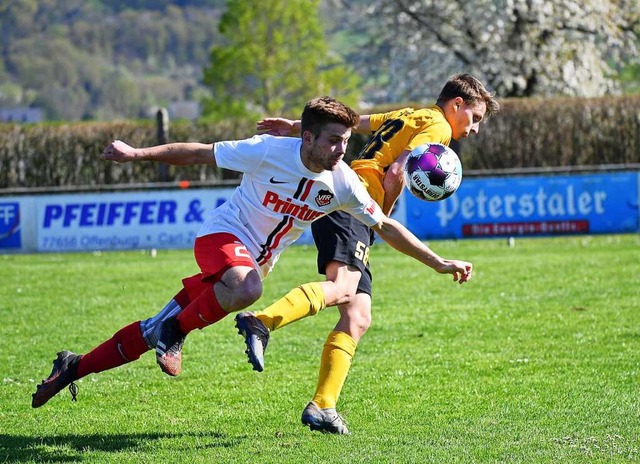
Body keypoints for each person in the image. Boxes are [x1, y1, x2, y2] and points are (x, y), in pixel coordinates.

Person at [31, 97, 473, 430]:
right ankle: (178, 331)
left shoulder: (344, 184)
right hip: (222, 239)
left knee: (154, 330)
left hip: (250, 265)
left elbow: (387, 227)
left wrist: (436, 261)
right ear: (307, 138)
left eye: (345, 140)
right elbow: (199, 152)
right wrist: (137, 154)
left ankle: (74, 365)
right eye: (333, 140)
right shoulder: (267, 150)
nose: (342, 150)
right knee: (246, 291)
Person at [236, 73, 499, 434]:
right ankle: (262, 321)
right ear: (456, 105)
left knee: (358, 314)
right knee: (343, 287)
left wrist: (297, 126)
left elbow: (356, 123)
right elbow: (396, 172)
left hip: (346, 196)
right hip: (355, 199)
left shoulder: (414, 114)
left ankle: (323, 405)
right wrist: (387, 206)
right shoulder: (438, 129)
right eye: (475, 118)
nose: (474, 129)